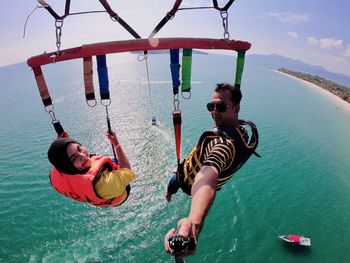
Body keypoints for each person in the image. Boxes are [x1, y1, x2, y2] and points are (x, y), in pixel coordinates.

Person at [164, 83, 259, 256]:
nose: (214, 111)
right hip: (190, 169)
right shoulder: (242, 134)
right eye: (211, 106)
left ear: (236, 109)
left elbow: (209, 172)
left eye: (221, 107)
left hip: (186, 180)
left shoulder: (222, 145)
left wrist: (194, 222)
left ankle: (168, 195)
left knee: (172, 183)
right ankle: (170, 192)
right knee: (180, 171)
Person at [47, 130, 136, 207]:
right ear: (67, 167)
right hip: (119, 193)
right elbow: (127, 170)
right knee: (116, 162)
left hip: (94, 192)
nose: (82, 156)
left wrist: (61, 141)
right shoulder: (103, 184)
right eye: (74, 158)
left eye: (79, 148)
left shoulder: (55, 175)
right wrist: (116, 144)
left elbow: (57, 157)